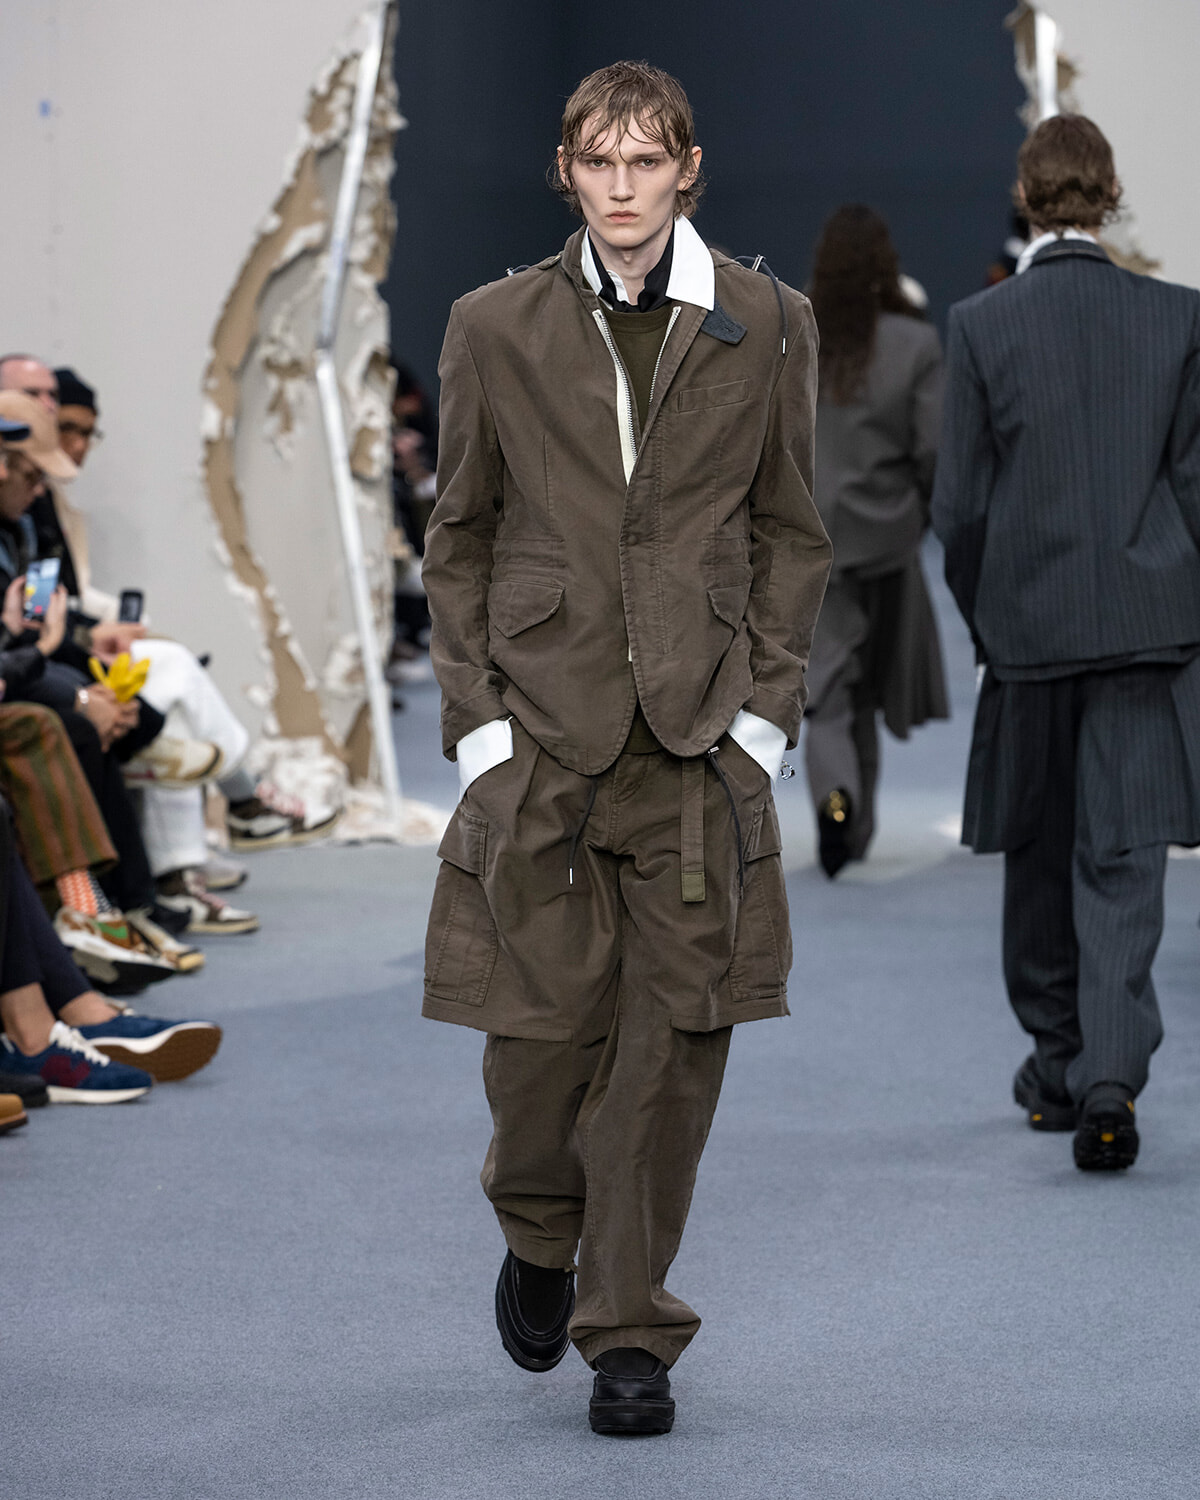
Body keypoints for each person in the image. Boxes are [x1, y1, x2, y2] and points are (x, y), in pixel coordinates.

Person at [421, 60, 830, 1434]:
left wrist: (763, 722)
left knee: (672, 1050)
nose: (621, 188)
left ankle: (631, 1330)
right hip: (542, 735)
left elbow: (790, 532)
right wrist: (479, 729)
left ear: (687, 171)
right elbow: (459, 536)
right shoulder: (494, 325)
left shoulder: (767, 322)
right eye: (598, 162)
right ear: (566, 172)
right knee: (537, 1046)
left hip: (697, 742)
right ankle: (541, 1229)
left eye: (645, 161)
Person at [932, 114, 1200, 1172]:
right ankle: (1109, 1079)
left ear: (1026, 194)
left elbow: (960, 509)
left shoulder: (981, 326)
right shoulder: (1177, 318)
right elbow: (1195, 487)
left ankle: (1056, 1064)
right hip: (1146, 629)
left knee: (1039, 852)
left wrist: (987, 618)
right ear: (1110, 193)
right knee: (1125, 858)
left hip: (1031, 630)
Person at [803, 205, 948, 876]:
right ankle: (854, 828)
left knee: (829, 694)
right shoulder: (914, 344)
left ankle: (837, 806)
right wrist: (924, 513)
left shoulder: (796, 338)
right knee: (870, 690)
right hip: (887, 539)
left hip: (812, 539)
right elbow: (934, 450)